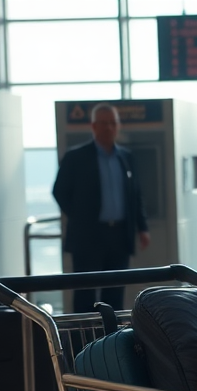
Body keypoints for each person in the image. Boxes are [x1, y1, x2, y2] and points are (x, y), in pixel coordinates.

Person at [52, 103, 150, 312]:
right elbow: (59, 191)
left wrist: (142, 228)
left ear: (118, 126)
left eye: (113, 123)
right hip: (88, 235)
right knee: (85, 292)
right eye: (104, 123)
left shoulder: (126, 157)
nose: (109, 128)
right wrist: (80, 217)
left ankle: (111, 340)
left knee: (114, 291)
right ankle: (83, 341)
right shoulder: (76, 157)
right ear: (94, 126)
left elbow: (135, 195)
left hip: (119, 234)